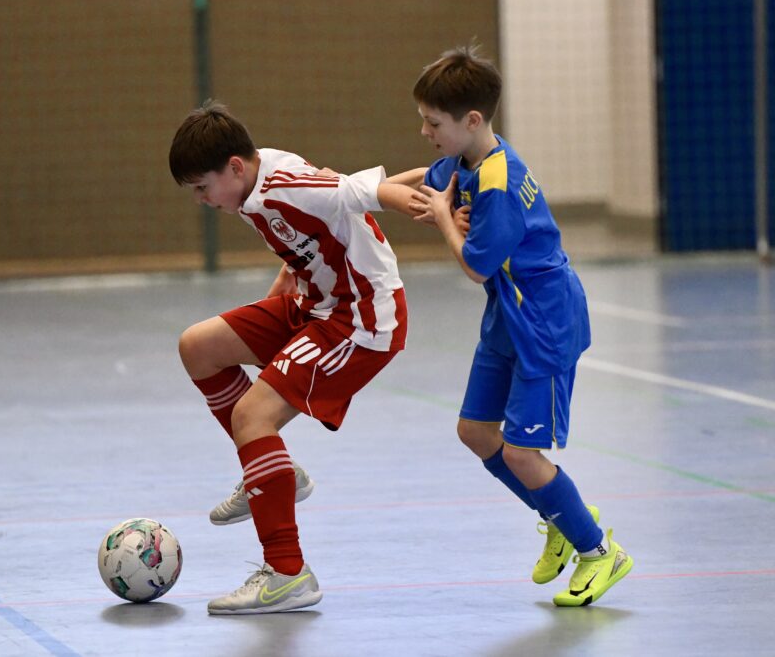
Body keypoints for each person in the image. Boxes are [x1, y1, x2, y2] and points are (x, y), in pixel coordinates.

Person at [169, 101, 424, 614]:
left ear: (234, 167)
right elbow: (307, 245)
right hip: (315, 304)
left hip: (361, 319)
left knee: (251, 415)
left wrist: (429, 203)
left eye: (202, 187)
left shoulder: (282, 185)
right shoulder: (251, 186)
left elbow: (360, 193)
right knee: (198, 346)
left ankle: (288, 573)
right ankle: (272, 467)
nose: (200, 200)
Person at [406, 46, 633, 607]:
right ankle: (559, 514)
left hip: (544, 320)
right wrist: (357, 190)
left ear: (472, 121)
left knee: (520, 453)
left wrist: (441, 219)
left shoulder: (499, 183)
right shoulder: (468, 159)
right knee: (475, 431)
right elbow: (427, 178)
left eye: (433, 123)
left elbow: (474, 265)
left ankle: (600, 551)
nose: (425, 131)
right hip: (509, 313)